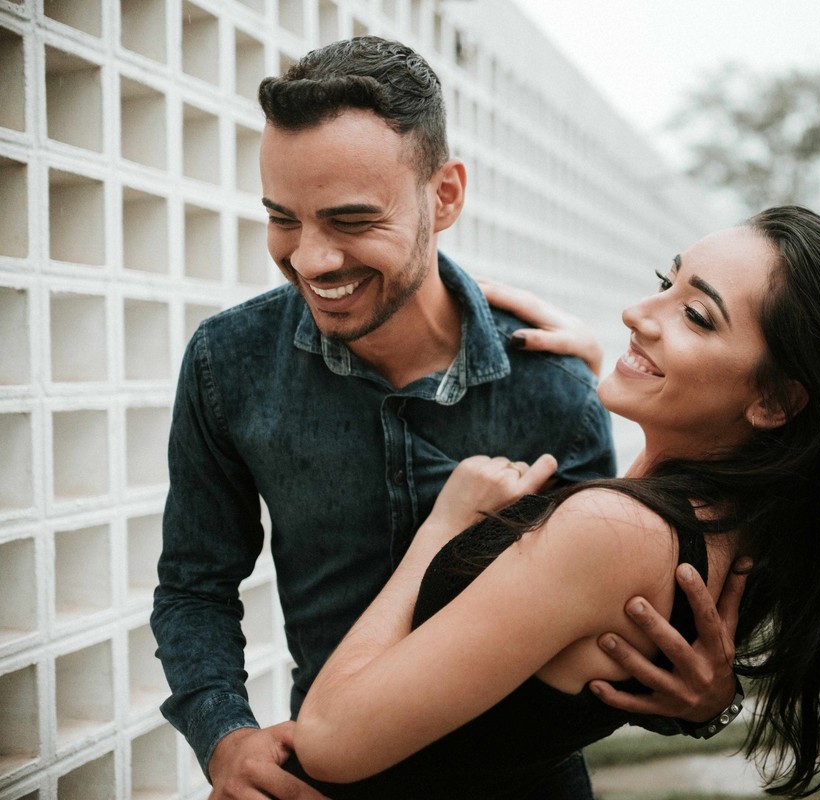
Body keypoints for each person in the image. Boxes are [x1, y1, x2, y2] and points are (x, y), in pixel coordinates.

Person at [151, 36, 741, 800]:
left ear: (447, 195)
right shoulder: (225, 362)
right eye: (283, 219)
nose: (311, 260)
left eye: (352, 221)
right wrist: (223, 734)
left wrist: (693, 704)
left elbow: (608, 637)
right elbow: (194, 586)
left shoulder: (555, 384)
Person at [287, 205, 820, 798]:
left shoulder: (613, 533)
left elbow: (326, 742)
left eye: (696, 315)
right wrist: (598, 368)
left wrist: (443, 527)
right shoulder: (720, 526)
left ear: (774, 400)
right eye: (663, 283)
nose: (636, 314)